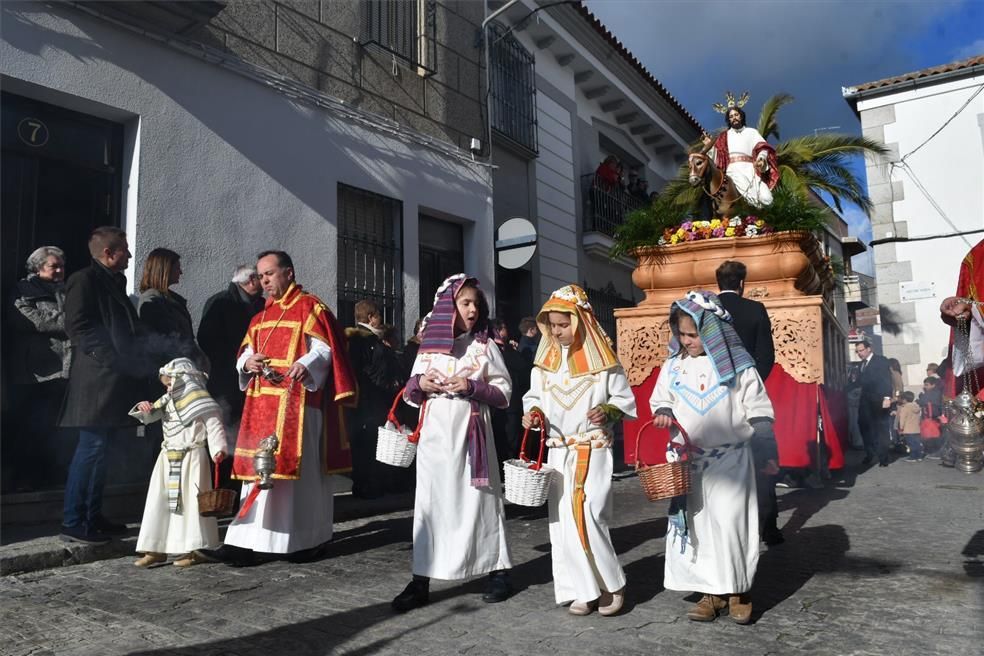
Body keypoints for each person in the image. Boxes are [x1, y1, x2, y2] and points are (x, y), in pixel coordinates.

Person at [203, 251, 357, 566]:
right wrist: (248, 361)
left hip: (298, 406)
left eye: (269, 274)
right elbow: (243, 352)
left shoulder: (311, 308)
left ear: (289, 272)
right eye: (261, 276)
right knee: (256, 473)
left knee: (298, 479)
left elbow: (326, 348)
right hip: (261, 408)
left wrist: (305, 363)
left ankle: (304, 541)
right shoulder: (259, 317)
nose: (264, 281)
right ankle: (243, 543)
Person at [648, 290, 775, 624]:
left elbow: (758, 407)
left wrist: (766, 445)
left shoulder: (740, 367)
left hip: (731, 461)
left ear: (713, 332)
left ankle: (738, 590)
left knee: (731, 525)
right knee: (699, 527)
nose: (687, 340)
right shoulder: (673, 366)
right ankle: (711, 593)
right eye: (682, 334)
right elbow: (661, 398)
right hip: (690, 464)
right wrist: (662, 411)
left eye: (693, 334)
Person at [391, 274, 513, 612]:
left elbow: (503, 393)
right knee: (432, 507)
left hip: (472, 435)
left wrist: (472, 387)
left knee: (481, 503)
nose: (473, 310)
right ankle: (421, 580)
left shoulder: (485, 345)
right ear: (450, 308)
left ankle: (497, 571)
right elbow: (411, 393)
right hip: (435, 441)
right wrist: (423, 384)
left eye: (476, 303)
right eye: (466, 303)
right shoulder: (429, 346)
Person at [521, 285, 636, 616]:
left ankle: (612, 584)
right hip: (558, 453)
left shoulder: (605, 364)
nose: (557, 332)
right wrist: (534, 414)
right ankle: (581, 589)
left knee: (589, 516)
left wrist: (608, 412)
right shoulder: (543, 365)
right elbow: (533, 399)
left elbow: (623, 401)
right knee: (563, 525)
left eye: (563, 324)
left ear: (580, 321)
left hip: (592, 449)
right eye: (552, 325)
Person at [59, 226, 152, 544]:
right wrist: (113, 358)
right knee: (91, 449)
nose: (129, 254)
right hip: (97, 381)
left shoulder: (116, 282)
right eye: (124, 249)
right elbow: (79, 325)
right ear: (108, 253)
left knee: (103, 452)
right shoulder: (84, 280)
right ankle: (75, 520)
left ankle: (93, 516)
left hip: (116, 381)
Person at [130, 358, 227, 567]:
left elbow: (214, 424)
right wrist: (143, 407)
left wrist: (218, 449)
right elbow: (147, 416)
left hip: (192, 458)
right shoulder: (167, 400)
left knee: (192, 505)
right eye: (166, 384)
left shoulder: (201, 401)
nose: (168, 388)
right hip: (167, 458)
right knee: (159, 502)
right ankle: (156, 548)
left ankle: (196, 548)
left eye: (170, 383)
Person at [715, 260, 781, 545]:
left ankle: (723, 527)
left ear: (719, 283)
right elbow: (767, 355)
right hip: (749, 394)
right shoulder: (755, 309)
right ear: (742, 284)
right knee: (762, 458)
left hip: (714, 397)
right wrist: (752, 383)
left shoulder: (707, 311)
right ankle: (768, 527)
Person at [5, 246, 72, 492]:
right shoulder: (23, 291)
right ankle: (24, 480)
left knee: (55, 427)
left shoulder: (68, 291)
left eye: (61, 266)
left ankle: (51, 476)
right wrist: (70, 322)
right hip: (35, 373)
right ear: (37, 268)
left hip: (63, 370)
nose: (59, 270)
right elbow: (34, 320)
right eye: (53, 266)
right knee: (30, 428)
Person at [197, 265, 264, 499]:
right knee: (224, 437)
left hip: (255, 384)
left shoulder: (263, 305)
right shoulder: (221, 303)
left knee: (247, 437)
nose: (264, 281)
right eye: (260, 277)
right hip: (226, 383)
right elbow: (207, 340)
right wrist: (237, 360)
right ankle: (220, 493)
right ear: (248, 280)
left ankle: (240, 490)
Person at [346, 299, 400, 499]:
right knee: (368, 445)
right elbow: (371, 371)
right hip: (370, 401)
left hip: (364, 401)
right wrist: (387, 385)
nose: (380, 320)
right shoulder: (363, 340)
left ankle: (366, 483)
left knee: (365, 444)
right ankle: (366, 485)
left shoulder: (361, 340)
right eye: (378, 315)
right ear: (371, 317)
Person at [702, 100, 778, 208]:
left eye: (736, 115)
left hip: (751, 169)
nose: (734, 117)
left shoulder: (752, 132)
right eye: (731, 116)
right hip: (733, 170)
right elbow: (719, 157)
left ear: (741, 116)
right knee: (750, 199)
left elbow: (763, 147)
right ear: (729, 119)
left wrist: (761, 158)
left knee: (767, 199)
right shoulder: (725, 136)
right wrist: (710, 146)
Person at [138, 248, 204, 370]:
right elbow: (160, 340)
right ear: (165, 270)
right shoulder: (152, 300)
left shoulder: (171, 299)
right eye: (177, 268)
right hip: (170, 371)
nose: (181, 272)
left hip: (182, 367)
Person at [490, 318, 531, 468]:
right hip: (509, 404)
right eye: (504, 328)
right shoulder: (501, 350)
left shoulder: (494, 349)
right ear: (499, 331)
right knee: (509, 440)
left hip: (497, 404)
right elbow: (522, 366)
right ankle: (507, 469)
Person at [852, 340, 893, 467]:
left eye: (861, 350)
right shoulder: (861, 365)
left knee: (881, 428)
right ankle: (870, 453)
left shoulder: (880, 360)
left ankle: (883, 457)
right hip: (865, 402)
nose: (859, 353)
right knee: (864, 427)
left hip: (879, 400)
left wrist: (887, 398)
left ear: (869, 349)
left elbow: (886, 379)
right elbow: (858, 382)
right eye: (857, 351)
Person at [918, 376, 945, 457]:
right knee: (937, 434)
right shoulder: (939, 392)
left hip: (930, 417)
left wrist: (920, 397)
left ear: (933, 385)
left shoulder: (930, 394)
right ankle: (937, 451)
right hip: (937, 417)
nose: (925, 387)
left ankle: (932, 452)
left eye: (927, 385)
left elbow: (922, 402)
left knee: (929, 436)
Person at [895, 391, 922, 462]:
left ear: (904, 399)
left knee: (910, 444)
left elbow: (902, 419)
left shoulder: (905, 408)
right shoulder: (916, 406)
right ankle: (919, 456)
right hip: (916, 429)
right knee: (917, 443)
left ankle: (913, 457)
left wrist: (901, 428)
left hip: (908, 430)